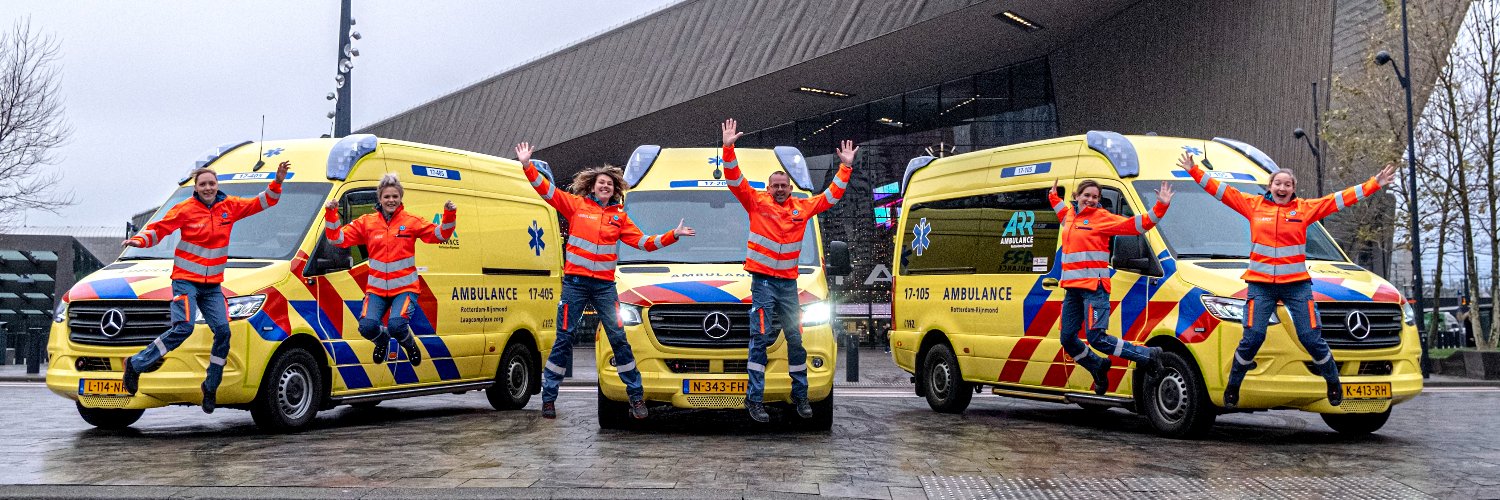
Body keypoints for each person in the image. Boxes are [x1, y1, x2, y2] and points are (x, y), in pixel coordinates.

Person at [1180, 151, 1395, 408]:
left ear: (1293, 189)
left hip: (1296, 286)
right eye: (1278, 183)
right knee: (1253, 337)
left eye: (1287, 184)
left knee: (1310, 337)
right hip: (1261, 286)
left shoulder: (1304, 209)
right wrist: (1194, 170)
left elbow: (1339, 199)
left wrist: (1375, 183)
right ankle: (1233, 385)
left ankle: (1333, 382)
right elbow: (1222, 192)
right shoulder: (1253, 205)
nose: (1282, 188)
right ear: (1270, 186)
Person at [515, 142, 696, 420]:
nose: (605, 186)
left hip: (604, 287)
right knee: (563, 339)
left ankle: (636, 398)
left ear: (614, 190)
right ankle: (549, 399)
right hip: (575, 284)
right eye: (601, 182)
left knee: (619, 340)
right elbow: (547, 191)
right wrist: (527, 165)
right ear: (592, 186)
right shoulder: (576, 205)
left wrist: (674, 234)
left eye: (609, 184)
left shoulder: (619, 217)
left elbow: (645, 243)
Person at [120, 161, 290, 413]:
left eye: (211, 183)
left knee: (223, 332)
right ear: (196, 188)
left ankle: (210, 386)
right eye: (203, 184)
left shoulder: (230, 206)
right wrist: (138, 241)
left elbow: (264, 202)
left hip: (212, 286)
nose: (208, 188)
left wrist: (278, 181)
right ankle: (136, 364)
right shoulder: (185, 209)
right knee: (184, 328)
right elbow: (159, 230)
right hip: (186, 281)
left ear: (217, 185)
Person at [719, 118, 855, 423]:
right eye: (775, 186)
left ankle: (800, 396)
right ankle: (754, 400)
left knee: (795, 339)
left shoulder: (801, 207)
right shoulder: (756, 202)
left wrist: (845, 166)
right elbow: (734, 179)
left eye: (783, 186)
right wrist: (728, 148)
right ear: (768, 188)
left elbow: (830, 197)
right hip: (763, 283)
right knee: (760, 339)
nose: (780, 189)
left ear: (790, 188)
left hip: (788, 285)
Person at [1048, 178, 1170, 395]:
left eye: (1095, 197)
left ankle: (1148, 355)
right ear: (1076, 196)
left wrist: (1161, 206)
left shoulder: (1102, 218)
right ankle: (1098, 366)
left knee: (1097, 339)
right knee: (1067, 339)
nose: (1091, 200)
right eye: (1086, 195)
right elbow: (1059, 209)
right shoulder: (1069, 216)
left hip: (1095, 289)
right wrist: (1052, 196)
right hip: (1072, 290)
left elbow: (1137, 225)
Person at [323, 173, 456, 368]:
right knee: (367, 327)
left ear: (401, 198)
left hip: (405, 288)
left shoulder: (411, 221)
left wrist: (449, 214)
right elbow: (337, 239)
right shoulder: (367, 222)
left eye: (395, 196)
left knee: (396, 325)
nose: (391, 200)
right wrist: (331, 213)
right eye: (387, 196)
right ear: (380, 198)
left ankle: (410, 345)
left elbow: (441, 235)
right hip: (377, 290)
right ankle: (382, 340)